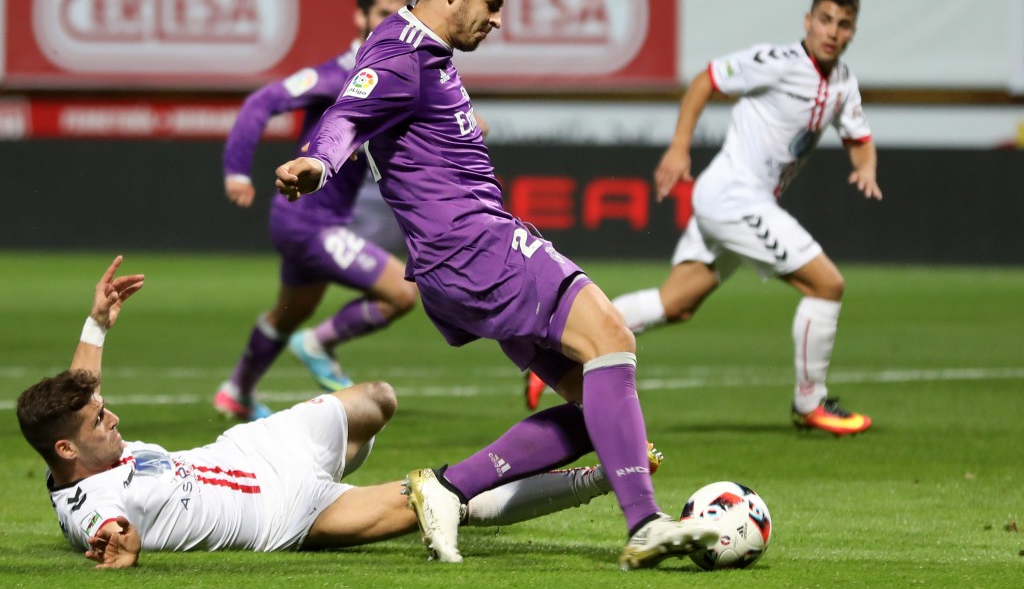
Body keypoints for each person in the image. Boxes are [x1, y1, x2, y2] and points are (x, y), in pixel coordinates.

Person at [273, 0, 720, 570]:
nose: (497, 18)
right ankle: (645, 523)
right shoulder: (399, 54)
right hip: (476, 246)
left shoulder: (427, 53)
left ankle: (448, 488)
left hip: (457, 261)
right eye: (492, 2)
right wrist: (319, 160)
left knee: (601, 409)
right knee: (613, 337)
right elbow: (347, 113)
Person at [16, 256, 658, 570]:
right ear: (69, 451)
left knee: (378, 398)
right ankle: (592, 479)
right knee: (436, 498)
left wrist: (96, 323)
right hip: (285, 515)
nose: (113, 417)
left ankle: (351, 469)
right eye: (101, 421)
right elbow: (108, 531)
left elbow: (82, 393)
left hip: (254, 449)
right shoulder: (91, 509)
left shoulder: (76, 451)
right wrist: (118, 550)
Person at [611, 0, 880, 436]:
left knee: (674, 303)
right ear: (808, 21)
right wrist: (679, 149)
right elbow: (706, 80)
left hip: (741, 201)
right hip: (734, 195)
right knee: (827, 286)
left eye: (844, 24)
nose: (832, 31)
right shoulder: (776, 63)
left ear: (853, 31)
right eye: (826, 19)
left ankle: (565, 350)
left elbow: (859, 139)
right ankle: (810, 402)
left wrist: (865, 168)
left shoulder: (843, 83)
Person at [215, 0, 419, 421]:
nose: (393, 23)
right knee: (402, 293)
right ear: (360, 15)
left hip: (308, 220)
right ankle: (318, 344)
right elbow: (260, 103)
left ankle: (237, 391)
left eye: (400, 15)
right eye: (384, 14)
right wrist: (236, 170)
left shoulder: (392, 73)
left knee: (289, 312)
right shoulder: (338, 74)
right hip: (310, 222)